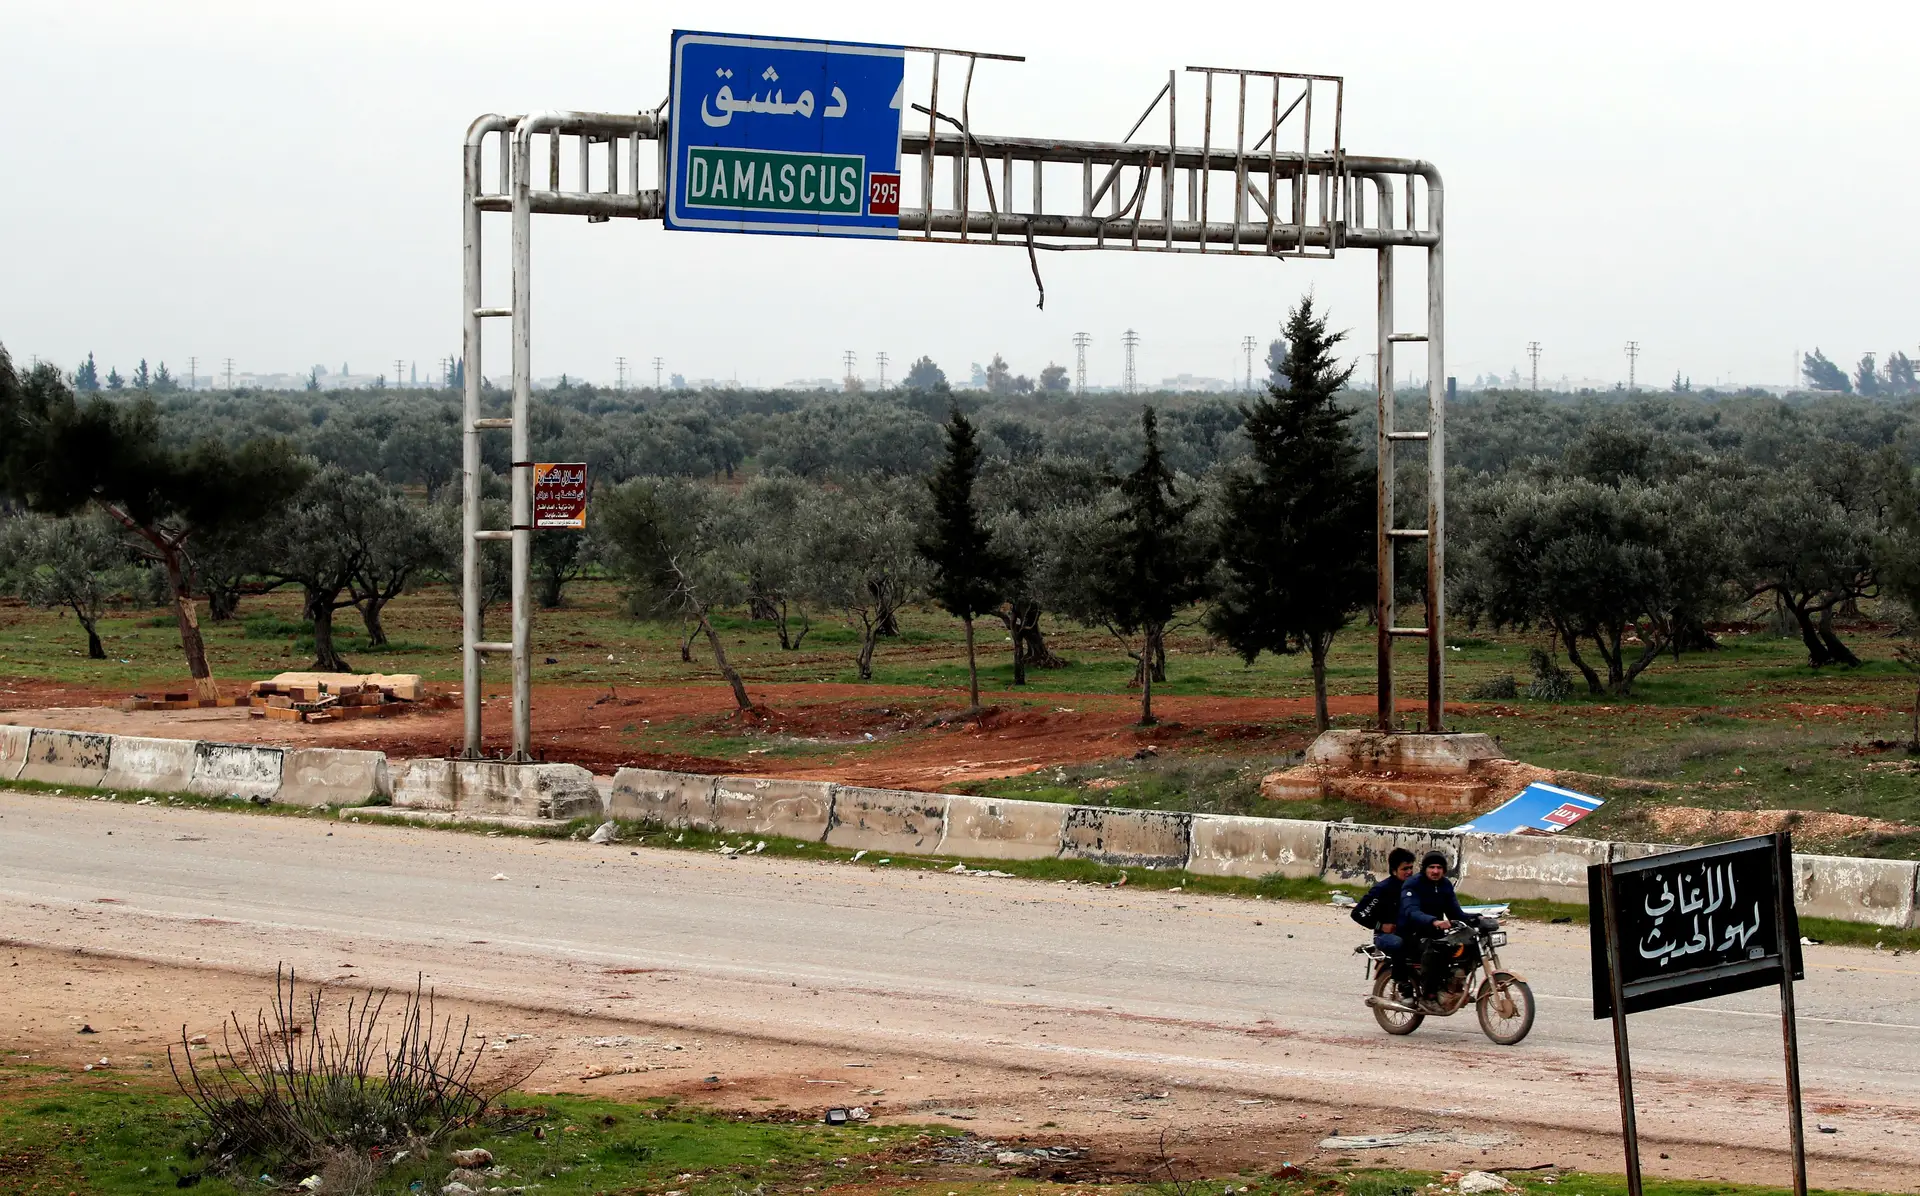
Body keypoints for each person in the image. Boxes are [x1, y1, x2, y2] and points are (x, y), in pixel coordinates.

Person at [1399, 849, 1491, 1007]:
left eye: (1439, 868)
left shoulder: (1445, 885)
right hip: (1411, 933)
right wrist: (1434, 921)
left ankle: (1453, 986)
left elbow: (1456, 913)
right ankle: (1428, 996)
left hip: (1435, 932)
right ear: (1425, 868)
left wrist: (1479, 919)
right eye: (1432, 867)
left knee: (1470, 945)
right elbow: (1411, 911)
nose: (1435, 871)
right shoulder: (1413, 884)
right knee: (1434, 951)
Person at [1350, 847, 1418, 1000]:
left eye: (1411, 868)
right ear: (1394, 870)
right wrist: (1381, 926)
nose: (1409, 872)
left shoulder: (1414, 887)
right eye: (1404, 869)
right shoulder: (1382, 890)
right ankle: (1402, 984)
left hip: (1409, 933)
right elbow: (1357, 914)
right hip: (1386, 937)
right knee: (1398, 943)